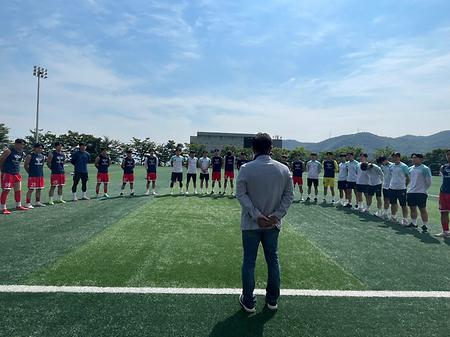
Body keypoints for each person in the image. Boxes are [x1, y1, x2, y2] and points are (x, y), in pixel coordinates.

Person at [236, 133, 294, 313]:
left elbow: (241, 194)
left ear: (253, 149)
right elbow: (289, 196)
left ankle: (248, 301)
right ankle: (272, 300)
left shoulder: (246, 168)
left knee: (249, 262)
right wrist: (277, 215)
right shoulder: (283, 169)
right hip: (273, 225)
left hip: (251, 224)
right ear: (271, 148)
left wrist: (256, 215)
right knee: (272, 260)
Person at [0, 139, 28, 214]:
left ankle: (18, 205)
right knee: (6, 190)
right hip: (7, 173)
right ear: (16, 144)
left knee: (18, 190)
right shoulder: (8, 151)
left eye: (23, 144)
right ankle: (3, 208)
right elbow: (1, 159)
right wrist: (2, 170)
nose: (22, 146)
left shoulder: (22, 153)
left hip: (16, 174)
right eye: (21, 144)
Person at [407, 154, 432, 233]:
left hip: (421, 192)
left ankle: (425, 225)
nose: (413, 159)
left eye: (415, 158)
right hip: (411, 192)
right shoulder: (410, 168)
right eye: (412, 158)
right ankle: (414, 223)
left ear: (421, 159)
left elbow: (429, 182)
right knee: (412, 208)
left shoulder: (425, 168)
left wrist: (423, 189)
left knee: (422, 209)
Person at [389, 152, 410, 225]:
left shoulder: (404, 166)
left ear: (399, 157)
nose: (394, 158)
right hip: (392, 188)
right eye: (393, 157)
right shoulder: (391, 166)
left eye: (395, 157)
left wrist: (405, 185)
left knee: (403, 205)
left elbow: (408, 178)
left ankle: (405, 219)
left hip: (401, 189)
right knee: (393, 203)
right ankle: (393, 217)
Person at [24, 143, 46, 208]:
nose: (40, 149)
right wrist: (30, 173)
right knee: (31, 189)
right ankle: (27, 203)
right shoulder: (30, 156)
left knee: (39, 189)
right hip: (32, 176)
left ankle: (37, 202)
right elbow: (26, 165)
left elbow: (42, 165)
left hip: (40, 175)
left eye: (41, 148)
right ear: (34, 148)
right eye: (38, 148)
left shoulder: (42, 156)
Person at [435, 149, 450, 238]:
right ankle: (445, 231)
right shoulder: (443, 167)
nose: (449, 156)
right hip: (444, 193)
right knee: (443, 212)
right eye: (447, 154)